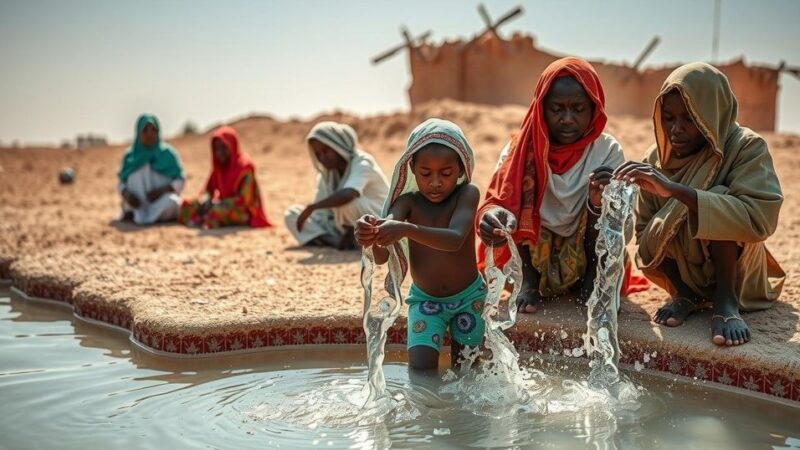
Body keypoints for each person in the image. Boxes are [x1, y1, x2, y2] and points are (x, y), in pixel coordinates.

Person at [613, 62, 785, 346]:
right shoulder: (656, 159)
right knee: (662, 222)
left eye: (689, 119)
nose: (675, 130)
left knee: (718, 198)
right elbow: (644, 234)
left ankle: (725, 301)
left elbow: (760, 218)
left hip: (738, 273)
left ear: (712, 112)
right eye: (668, 118)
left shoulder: (745, 148)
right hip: (684, 270)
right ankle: (684, 294)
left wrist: (676, 191)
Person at [477, 57, 646, 314]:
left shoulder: (607, 151)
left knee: (610, 200)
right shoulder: (520, 150)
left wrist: (598, 202)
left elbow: (623, 225)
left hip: (587, 247)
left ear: (594, 109)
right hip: (534, 254)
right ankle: (529, 280)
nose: (567, 119)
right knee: (515, 198)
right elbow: (499, 199)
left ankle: (593, 279)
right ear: (541, 108)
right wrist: (492, 217)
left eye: (578, 109)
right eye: (557, 109)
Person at [355, 118, 483, 371]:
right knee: (421, 373)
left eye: (445, 173)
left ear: (460, 169)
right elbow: (382, 256)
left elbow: (455, 239)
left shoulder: (467, 195)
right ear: (412, 168)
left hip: (469, 298)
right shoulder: (407, 203)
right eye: (426, 174)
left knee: (466, 372)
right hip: (426, 302)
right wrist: (370, 235)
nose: (435, 182)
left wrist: (406, 229)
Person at [285, 122, 389, 249]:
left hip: (376, 220)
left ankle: (350, 239)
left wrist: (312, 207)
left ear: (338, 145)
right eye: (317, 154)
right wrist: (313, 211)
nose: (322, 158)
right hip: (342, 223)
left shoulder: (362, 162)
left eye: (325, 151)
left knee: (346, 203)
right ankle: (337, 241)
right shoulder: (328, 173)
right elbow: (323, 212)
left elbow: (349, 194)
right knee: (292, 214)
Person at [179, 126, 272, 229]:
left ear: (232, 146)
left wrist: (220, 203)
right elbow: (209, 190)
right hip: (220, 204)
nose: (220, 152)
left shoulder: (245, 167)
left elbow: (245, 200)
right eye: (217, 149)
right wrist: (205, 199)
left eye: (224, 147)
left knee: (216, 212)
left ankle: (203, 219)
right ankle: (201, 218)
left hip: (243, 211)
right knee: (188, 206)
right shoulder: (218, 167)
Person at [118, 114, 184, 224]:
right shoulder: (130, 156)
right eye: (145, 130)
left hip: (160, 202)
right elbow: (121, 183)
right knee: (127, 206)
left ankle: (147, 217)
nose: (150, 134)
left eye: (153, 130)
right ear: (139, 133)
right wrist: (127, 195)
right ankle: (135, 214)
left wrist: (161, 191)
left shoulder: (168, 154)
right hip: (137, 205)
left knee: (173, 203)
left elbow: (180, 180)